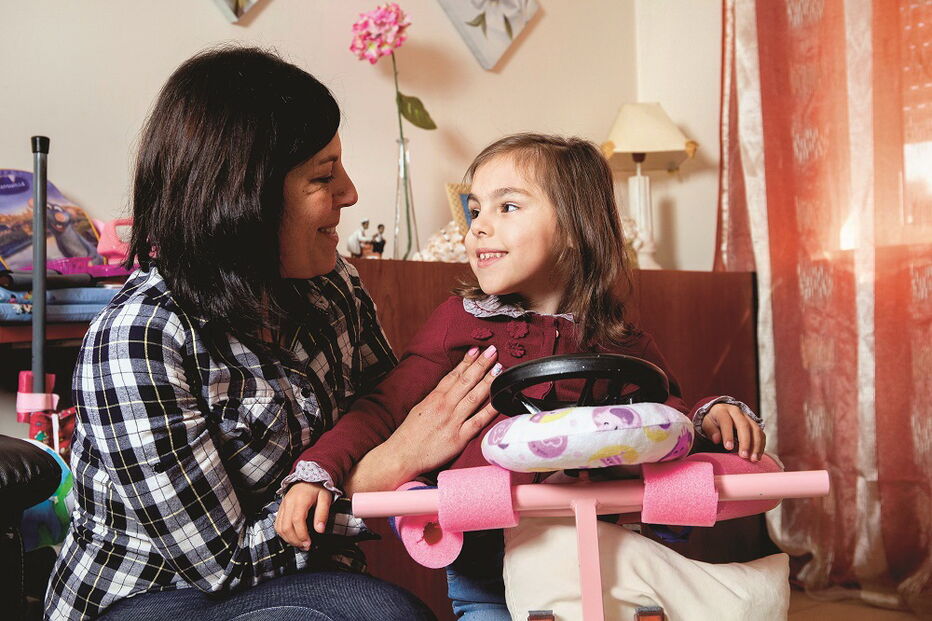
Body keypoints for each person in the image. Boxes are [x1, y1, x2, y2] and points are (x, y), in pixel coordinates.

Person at [44, 46, 502, 621]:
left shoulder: (331, 285)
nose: (351, 194)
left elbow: (394, 412)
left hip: (297, 578)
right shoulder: (140, 338)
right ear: (244, 195)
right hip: (153, 596)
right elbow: (224, 566)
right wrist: (373, 477)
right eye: (323, 176)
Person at [276, 134, 767, 620]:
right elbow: (382, 407)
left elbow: (665, 420)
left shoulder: (618, 336)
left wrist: (712, 415)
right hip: (484, 561)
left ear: (577, 228)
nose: (478, 228)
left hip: (597, 549)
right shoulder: (458, 322)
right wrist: (319, 470)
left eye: (507, 207)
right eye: (474, 210)